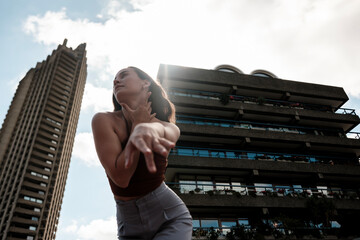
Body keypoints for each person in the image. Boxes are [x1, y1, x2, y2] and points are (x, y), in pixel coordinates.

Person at [91, 67, 193, 240]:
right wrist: (137, 128)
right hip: (128, 222)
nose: (116, 81)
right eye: (114, 79)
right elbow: (121, 178)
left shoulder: (167, 127)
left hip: (170, 216)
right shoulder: (103, 120)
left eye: (123, 75)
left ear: (145, 83)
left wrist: (145, 128)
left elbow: (162, 131)